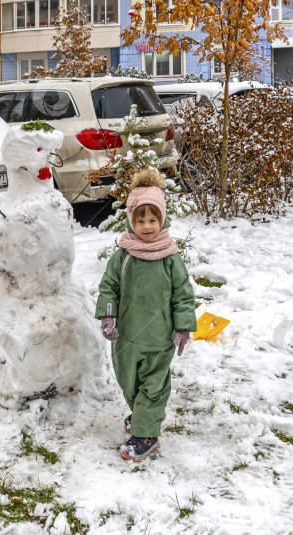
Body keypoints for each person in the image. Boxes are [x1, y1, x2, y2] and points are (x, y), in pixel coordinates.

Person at [95, 169, 197, 462]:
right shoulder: (123, 255)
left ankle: (146, 434)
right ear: (131, 221)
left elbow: (183, 294)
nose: (147, 226)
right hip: (126, 336)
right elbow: (109, 287)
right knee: (129, 382)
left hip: (159, 337)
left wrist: (183, 327)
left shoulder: (169, 257)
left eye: (153, 220)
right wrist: (108, 316)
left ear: (162, 220)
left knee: (154, 385)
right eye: (140, 220)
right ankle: (142, 415)